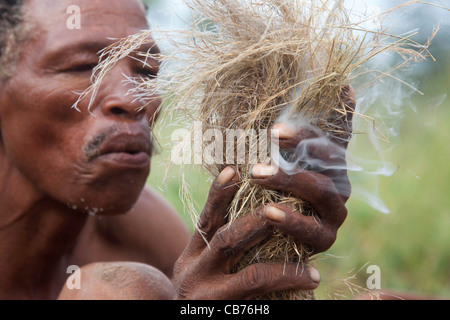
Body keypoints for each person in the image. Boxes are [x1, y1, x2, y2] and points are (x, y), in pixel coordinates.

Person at [0, 0, 354, 300]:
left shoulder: (144, 233)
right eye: (81, 66)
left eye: (147, 70)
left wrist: (258, 251)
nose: (134, 98)